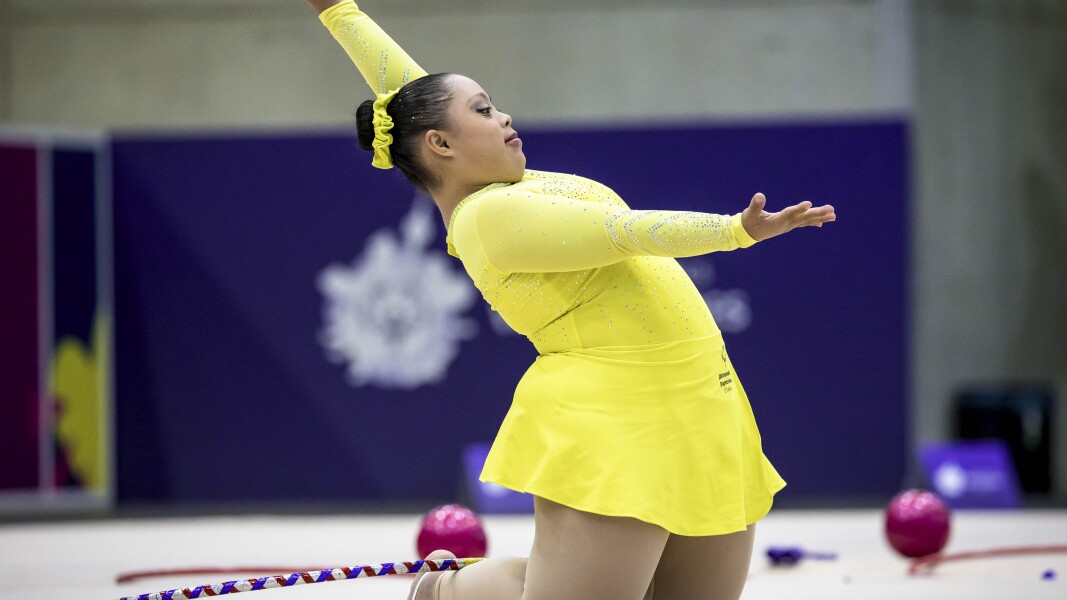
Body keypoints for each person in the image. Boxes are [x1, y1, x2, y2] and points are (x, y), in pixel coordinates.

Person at [304, 2, 836, 599]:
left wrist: (339, 11)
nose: (504, 115)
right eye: (483, 110)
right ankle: (446, 593)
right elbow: (623, 232)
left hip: (705, 407)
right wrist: (735, 230)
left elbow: (408, 93)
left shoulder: (499, 180)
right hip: (615, 421)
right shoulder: (487, 216)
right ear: (441, 144)